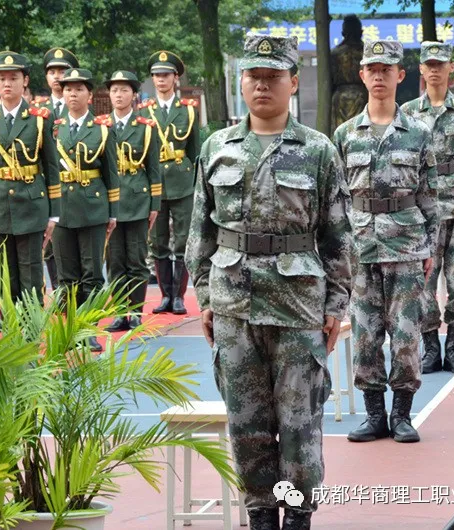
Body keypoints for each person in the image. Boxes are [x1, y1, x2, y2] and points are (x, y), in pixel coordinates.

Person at [186, 35, 351, 530]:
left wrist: (336, 306)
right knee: (247, 425)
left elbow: (339, 235)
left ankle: (297, 515)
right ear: (242, 82)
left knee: (299, 424)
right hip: (234, 305)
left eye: (273, 76)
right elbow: (201, 231)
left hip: (299, 306)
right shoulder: (218, 147)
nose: (262, 84)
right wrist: (206, 297)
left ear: (292, 83)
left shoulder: (318, 150)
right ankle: (261, 514)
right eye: (253, 76)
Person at [333, 40, 438, 445]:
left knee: (406, 334)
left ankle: (402, 415)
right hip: (361, 249)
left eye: (386, 69)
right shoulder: (344, 135)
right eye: (371, 69)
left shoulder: (419, 133)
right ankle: (374, 414)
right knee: (364, 334)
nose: (378, 76)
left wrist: (429, 245)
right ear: (362, 76)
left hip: (407, 246)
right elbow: (337, 201)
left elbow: (430, 195)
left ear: (400, 75)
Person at [400, 42, 454, 375]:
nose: (434, 69)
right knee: (424, 282)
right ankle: (430, 348)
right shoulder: (407, 112)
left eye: (440, 64)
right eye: (429, 64)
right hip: (424, 210)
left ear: (451, 68)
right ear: (421, 69)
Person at [0, 51, 61, 330]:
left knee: (31, 271)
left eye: (13, 78)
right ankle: (9, 323)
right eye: (1, 78)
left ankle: (31, 324)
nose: (7, 83)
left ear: (25, 81)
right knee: (2, 273)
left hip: (31, 205)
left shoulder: (39, 119)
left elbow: (51, 167)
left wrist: (54, 215)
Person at [52, 67, 119, 352]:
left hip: (92, 208)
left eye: (79, 89)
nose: (73, 94)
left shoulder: (102, 128)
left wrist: (113, 211)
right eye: (68, 89)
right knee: (67, 275)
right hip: (62, 208)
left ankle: (88, 330)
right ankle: (71, 330)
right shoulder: (54, 128)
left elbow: (111, 173)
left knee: (92, 273)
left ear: (89, 95)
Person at [140, 50, 200, 316]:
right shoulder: (144, 111)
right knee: (158, 241)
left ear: (176, 78)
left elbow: (195, 151)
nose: (160, 80)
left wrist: (198, 185)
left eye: (165, 75)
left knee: (183, 241)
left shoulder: (187, 110)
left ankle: (179, 296)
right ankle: (165, 295)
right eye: (156, 75)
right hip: (155, 184)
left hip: (182, 180)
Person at [101, 71, 161, 332]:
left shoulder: (145, 127)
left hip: (137, 198)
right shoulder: (101, 125)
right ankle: (119, 312)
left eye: (124, 90)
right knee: (114, 261)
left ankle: (135, 312)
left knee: (136, 260)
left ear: (133, 95)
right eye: (114, 90)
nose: (119, 95)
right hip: (110, 201)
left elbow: (154, 167)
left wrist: (155, 204)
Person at [33, 48, 80, 293]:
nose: (57, 76)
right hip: (46, 187)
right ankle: (59, 293)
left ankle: (75, 297)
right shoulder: (38, 110)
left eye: (62, 71)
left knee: (72, 248)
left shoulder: (77, 107)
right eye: (52, 71)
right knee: (48, 246)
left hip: (75, 185)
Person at [330, 14, 368, 135]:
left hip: (339, 97)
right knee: (361, 132)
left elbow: (329, 80)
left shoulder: (335, 53)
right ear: (361, 32)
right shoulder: (367, 52)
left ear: (343, 33)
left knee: (340, 133)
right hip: (363, 95)